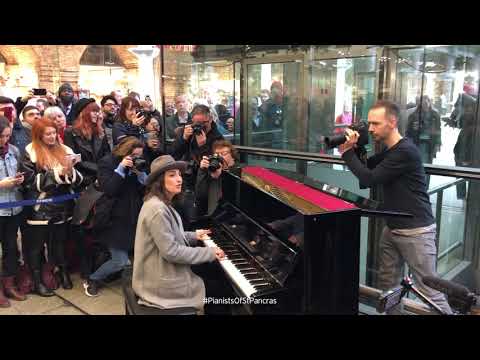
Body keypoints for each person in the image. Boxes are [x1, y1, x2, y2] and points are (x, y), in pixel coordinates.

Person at [339, 100, 452, 315]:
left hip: (416, 231)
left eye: (375, 124)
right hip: (392, 227)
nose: (370, 129)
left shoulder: (405, 151)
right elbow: (365, 175)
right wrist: (357, 147)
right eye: (369, 124)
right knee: (389, 288)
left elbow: (369, 178)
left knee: (429, 291)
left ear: (392, 122)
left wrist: (346, 153)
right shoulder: (392, 151)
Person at [132, 155, 224, 313]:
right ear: (159, 181)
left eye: (179, 174)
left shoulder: (160, 203)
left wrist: (194, 235)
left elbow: (171, 235)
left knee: (214, 274)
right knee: (221, 291)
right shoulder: (158, 209)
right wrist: (209, 252)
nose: (179, 179)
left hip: (161, 269)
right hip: (159, 282)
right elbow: (172, 252)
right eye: (172, 175)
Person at [19, 117, 84, 296]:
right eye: (48, 133)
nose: (52, 136)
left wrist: (70, 172)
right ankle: (38, 280)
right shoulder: (30, 151)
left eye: (54, 132)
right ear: (39, 134)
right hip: (39, 206)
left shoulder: (65, 149)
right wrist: (57, 174)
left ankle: (62, 272)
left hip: (63, 204)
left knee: (60, 242)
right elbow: (29, 181)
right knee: (36, 246)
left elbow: (78, 179)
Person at [83, 137, 147, 297]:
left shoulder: (136, 165)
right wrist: (120, 169)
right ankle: (92, 279)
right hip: (113, 217)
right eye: (134, 156)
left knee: (130, 257)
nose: (136, 159)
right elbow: (109, 189)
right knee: (120, 260)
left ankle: (126, 277)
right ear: (125, 152)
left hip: (132, 214)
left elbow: (143, 188)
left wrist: (141, 175)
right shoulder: (107, 162)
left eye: (139, 155)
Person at [0, 117, 27, 307]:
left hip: (14, 208)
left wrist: (19, 179)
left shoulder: (15, 151)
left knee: (10, 248)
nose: (5, 141)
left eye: (8, 136)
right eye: (1, 137)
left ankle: (9, 284)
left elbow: (21, 171)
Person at [64, 98, 111, 187]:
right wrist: (99, 169)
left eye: (97, 111)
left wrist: (104, 169)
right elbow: (75, 160)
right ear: (83, 113)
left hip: (101, 177)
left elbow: (107, 153)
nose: (96, 114)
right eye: (93, 111)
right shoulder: (70, 132)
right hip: (83, 179)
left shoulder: (99, 131)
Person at [195, 140, 238, 216]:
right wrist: (202, 171)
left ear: (233, 156)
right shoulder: (211, 171)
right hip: (211, 217)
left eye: (224, 154)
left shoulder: (239, 172)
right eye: (217, 154)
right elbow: (200, 196)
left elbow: (233, 198)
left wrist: (223, 175)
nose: (220, 157)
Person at [405, 95, 442, 165]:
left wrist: (438, 143)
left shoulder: (435, 114)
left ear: (429, 102)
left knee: (428, 163)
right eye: (423, 102)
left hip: (430, 143)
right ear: (420, 103)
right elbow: (408, 131)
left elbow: (438, 130)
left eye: (427, 102)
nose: (425, 104)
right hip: (417, 142)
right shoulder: (413, 115)